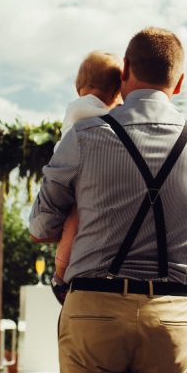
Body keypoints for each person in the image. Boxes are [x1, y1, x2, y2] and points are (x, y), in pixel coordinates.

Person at [30, 27, 187, 373]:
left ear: (126, 71)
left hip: (94, 309)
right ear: (180, 82)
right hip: (170, 315)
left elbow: (41, 224)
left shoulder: (85, 136)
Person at [51, 50, 124, 289]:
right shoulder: (91, 111)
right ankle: (61, 271)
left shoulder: (75, 107)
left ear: (78, 86)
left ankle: (60, 273)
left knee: (71, 229)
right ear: (117, 92)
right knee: (73, 225)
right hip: (81, 182)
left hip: (70, 179)